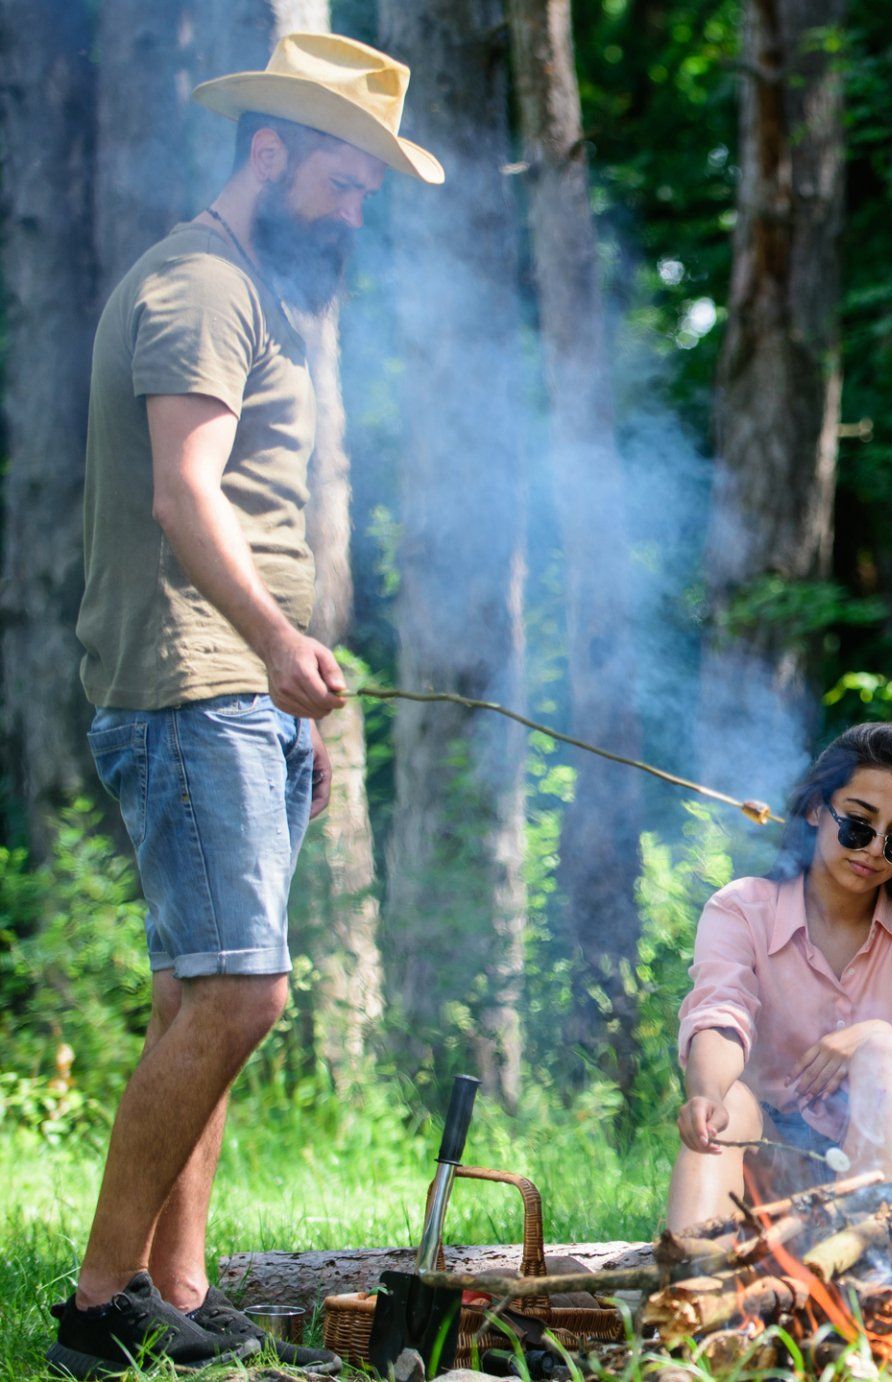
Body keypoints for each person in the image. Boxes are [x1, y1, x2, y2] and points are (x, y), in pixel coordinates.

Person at [49, 35, 443, 1379]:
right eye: (348, 175)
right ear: (272, 148)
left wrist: (291, 699)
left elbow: (251, 512)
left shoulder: (249, 289)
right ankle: (102, 1308)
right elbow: (183, 491)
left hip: (241, 690)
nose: (360, 202)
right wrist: (274, 646)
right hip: (192, 677)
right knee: (245, 990)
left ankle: (178, 1288)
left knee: (196, 996)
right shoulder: (201, 283)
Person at [668, 723, 892, 1234]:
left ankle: (872, 1266)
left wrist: (886, 1043)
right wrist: (707, 1094)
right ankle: (692, 1281)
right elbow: (722, 1015)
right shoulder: (741, 909)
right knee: (732, 1102)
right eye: (857, 825)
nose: (874, 850)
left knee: (883, 1056)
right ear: (813, 809)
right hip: (773, 1180)